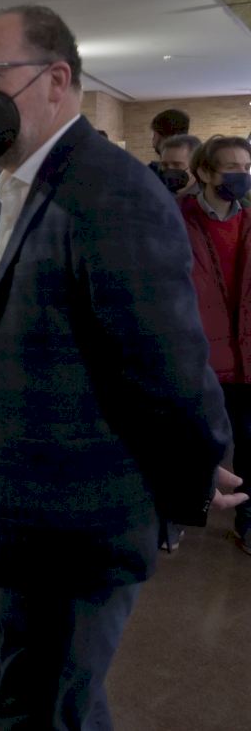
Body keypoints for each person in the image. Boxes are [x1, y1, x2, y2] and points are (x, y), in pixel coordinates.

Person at [0, 4, 242, 730]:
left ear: (56, 80)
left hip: (74, 523)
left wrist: (193, 471)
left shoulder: (108, 190)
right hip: (29, 517)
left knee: (48, 710)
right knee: (51, 703)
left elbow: (165, 360)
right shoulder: (26, 186)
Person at [180, 135, 251, 554]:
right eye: (231, 168)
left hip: (246, 356)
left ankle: (248, 519)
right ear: (205, 172)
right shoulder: (176, 219)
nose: (241, 175)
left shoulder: (249, 220)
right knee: (192, 439)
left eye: (246, 168)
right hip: (199, 356)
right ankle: (180, 511)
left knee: (250, 442)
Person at [156, 132, 202, 197]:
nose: (169, 171)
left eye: (177, 165)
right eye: (165, 165)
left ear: (196, 166)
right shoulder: (157, 194)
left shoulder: (208, 199)